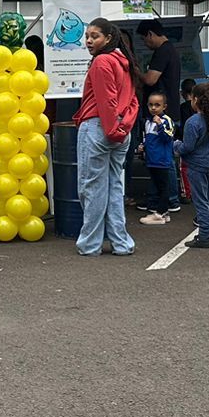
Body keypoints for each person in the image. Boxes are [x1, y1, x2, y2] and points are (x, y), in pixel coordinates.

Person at [72, 18, 140, 257]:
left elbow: (106, 100)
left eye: (95, 36)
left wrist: (112, 129)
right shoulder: (124, 62)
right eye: (87, 36)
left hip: (98, 128)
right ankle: (121, 243)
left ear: (108, 38)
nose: (89, 41)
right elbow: (131, 100)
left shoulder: (101, 62)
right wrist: (122, 128)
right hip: (121, 130)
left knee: (92, 188)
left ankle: (90, 244)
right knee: (114, 187)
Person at [174, 81, 209, 248]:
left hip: (197, 166)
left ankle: (204, 236)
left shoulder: (193, 122)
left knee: (201, 201)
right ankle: (208, 231)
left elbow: (187, 147)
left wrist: (176, 145)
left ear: (195, 100)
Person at [136, 91, 177, 225]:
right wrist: (143, 147)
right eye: (151, 105)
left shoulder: (166, 120)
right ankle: (163, 212)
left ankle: (159, 213)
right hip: (151, 160)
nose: (153, 108)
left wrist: (160, 124)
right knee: (158, 186)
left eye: (157, 105)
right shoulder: (147, 122)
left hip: (162, 160)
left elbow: (168, 137)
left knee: (164, 187)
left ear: (164, 106)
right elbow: (148, 139)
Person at [135, 20, 183, 113]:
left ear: (150, 34)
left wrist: (137, 72)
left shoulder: (162, 51)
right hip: (169, 107)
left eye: (143, 39)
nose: (144, 43)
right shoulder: (170, 49)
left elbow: (150, 80)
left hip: (161, 112)